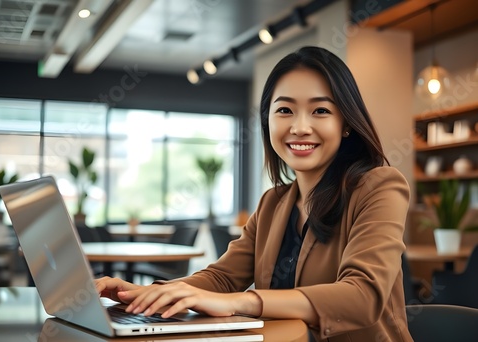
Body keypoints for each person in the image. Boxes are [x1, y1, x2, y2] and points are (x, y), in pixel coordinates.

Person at [96, 46, 413, 341]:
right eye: (285, 110)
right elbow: (221, 279)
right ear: (268, 120)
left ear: (346, 123)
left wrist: (243, 302)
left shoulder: (379, 186)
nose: (300, 127)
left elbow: (363, 296)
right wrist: (143, 295)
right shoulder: (273, 202)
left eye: (320, 111)